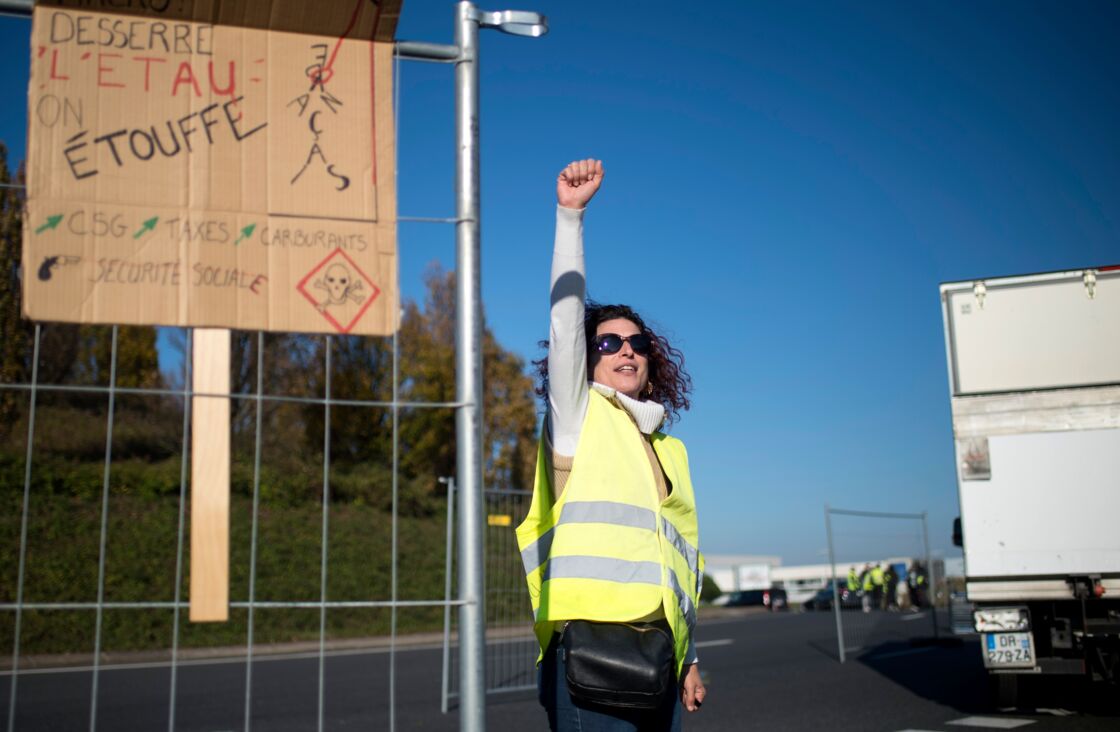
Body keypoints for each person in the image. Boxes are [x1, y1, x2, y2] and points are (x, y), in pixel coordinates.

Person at [516, 159, 705, 731]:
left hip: (659, 658)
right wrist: (569, 218)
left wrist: (688, 656)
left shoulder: (671, 449)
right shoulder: (579, 415)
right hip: (589, 653)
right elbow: (566, 318)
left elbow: (680, 567)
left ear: (653, 360)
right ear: (587, 357)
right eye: (609, 342)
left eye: (638, 341)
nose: (626, 350)